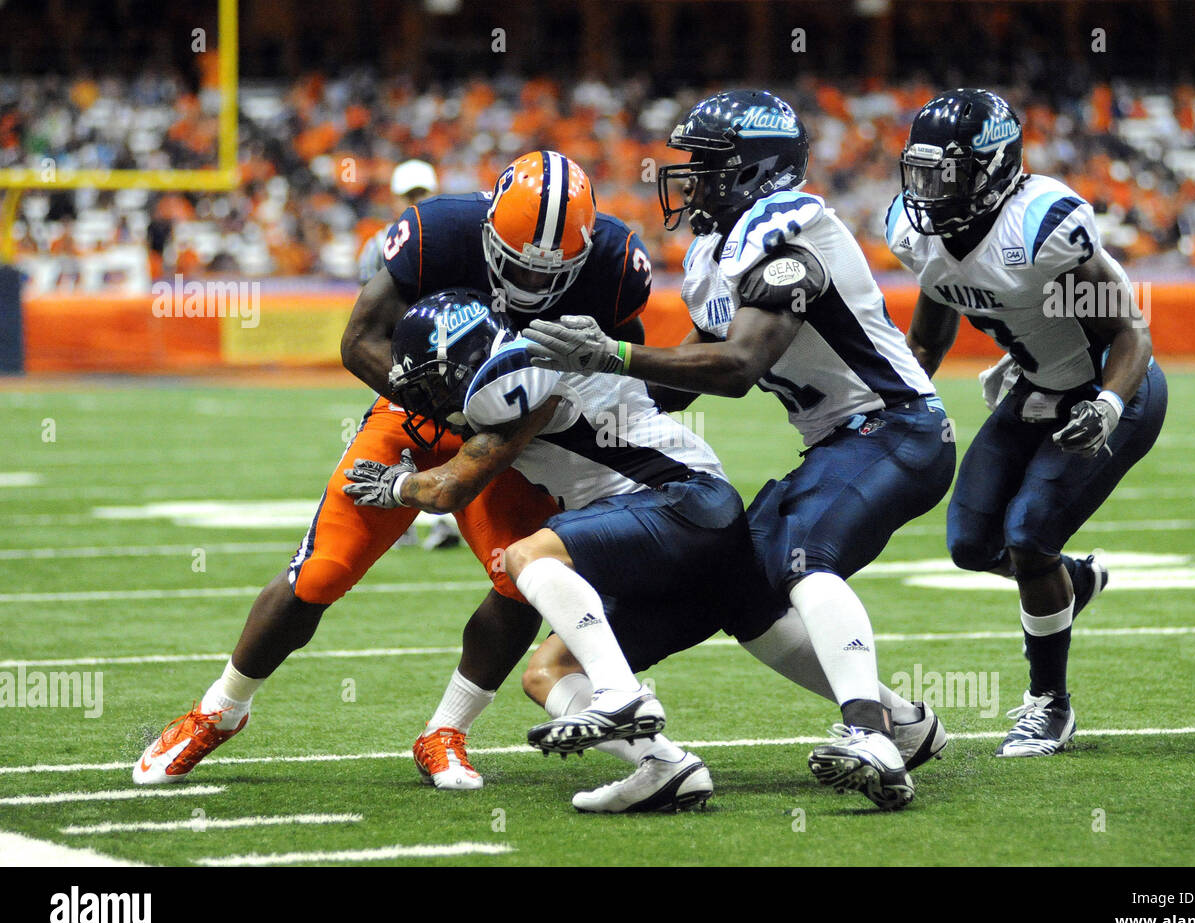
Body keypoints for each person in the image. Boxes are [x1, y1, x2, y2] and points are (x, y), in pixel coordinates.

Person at [133, 152, 653, 790]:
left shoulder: (615, 265)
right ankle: (219, 710)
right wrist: (446, 408)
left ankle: (446, 731)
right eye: (514, 264)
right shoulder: (439, 231)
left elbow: (626, 365)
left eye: (549, 272)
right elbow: (358, 341)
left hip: (516, 438)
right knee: (319, 572)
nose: (529, 283)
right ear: (489, 232)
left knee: (523, 575)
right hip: (416, 410)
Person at [522, 90, 954, 810]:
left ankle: (870, 734)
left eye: (708, 166)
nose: (690, 180)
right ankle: (906, 724)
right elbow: (680, 384)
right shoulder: (713, 254)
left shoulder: (792, 234)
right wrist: (570, 402)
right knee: (744, 592)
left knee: (806, 559)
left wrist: (615, 354)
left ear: (757, 169)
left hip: (896, 427)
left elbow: (737, 367)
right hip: (841, 440)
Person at [344, 287, 768, 811]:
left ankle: (620, 696)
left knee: (528, 557)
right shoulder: (523, 361)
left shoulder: (513, 380)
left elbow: (450, 488)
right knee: (546, 673)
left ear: (457, 361)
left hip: (682, 503)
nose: (424, 399)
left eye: (429, 382)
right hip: (670, 536)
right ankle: (665, 766)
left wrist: (397, 486)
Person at [888, 89, 1167, 756]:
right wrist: (892, 402)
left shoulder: (1042, 228)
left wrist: (1106, 407)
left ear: (992, 169)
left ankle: (1051, 705)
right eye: (920, 170)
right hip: (1037, 389)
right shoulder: (917, 231)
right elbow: (928, 339)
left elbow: (1129, 333)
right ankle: (1072, 581)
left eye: (945, 172)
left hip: (1108, 389)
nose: (927, 188)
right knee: (970, 543)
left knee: (1026, 534)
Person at [357, 158, 460, 550]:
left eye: (421, 193)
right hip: (401, 352)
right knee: (398, 436)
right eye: (412, 194)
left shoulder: (394, 240)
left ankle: (440, 519)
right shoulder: (383, 242)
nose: (416, 200)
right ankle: (401, 521)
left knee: (443, 435)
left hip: (436, 351)